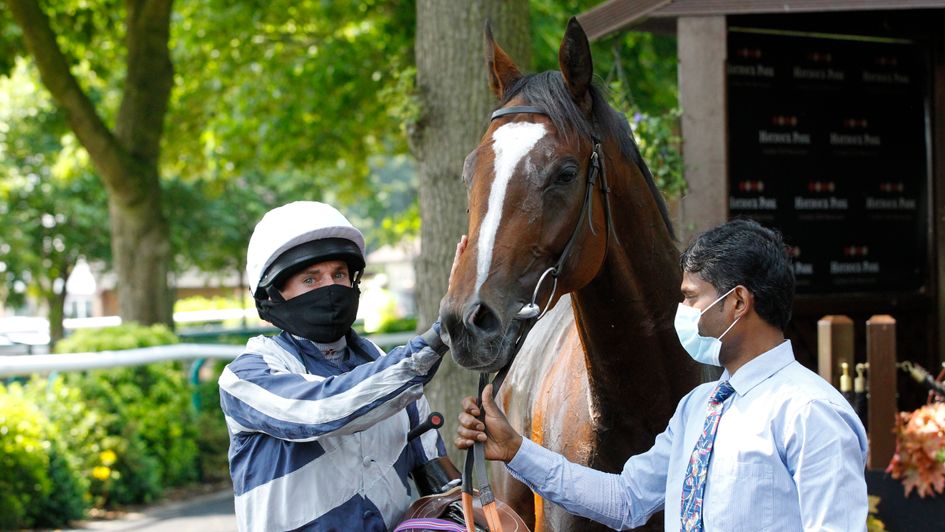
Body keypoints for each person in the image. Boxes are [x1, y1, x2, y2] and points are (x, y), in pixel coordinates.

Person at [456, 219, 868, 531]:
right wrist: (516, 450)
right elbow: (625, 499)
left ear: (738, 301)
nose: (682, 314)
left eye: (691, 298)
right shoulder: (699, 407)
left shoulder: (810, 412)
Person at [220, 201, 465, 531]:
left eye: (339, 275)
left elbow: (440, 483)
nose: (331, 288)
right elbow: (320, 410)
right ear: (272, 295)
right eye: (311, 279)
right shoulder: (246, 376)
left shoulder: (396, 377)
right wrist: (436, 339)